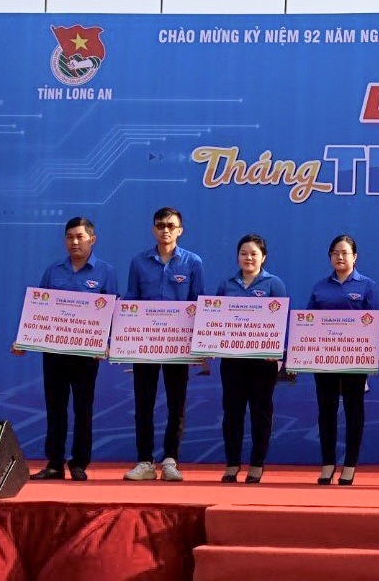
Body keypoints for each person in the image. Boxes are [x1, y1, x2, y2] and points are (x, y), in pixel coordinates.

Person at [29, 216, 120, 481]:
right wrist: (26, 339)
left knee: (83, 408)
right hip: (54, 352)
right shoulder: (53, 271)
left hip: (86, 354)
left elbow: (113, 311)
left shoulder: (106, 272)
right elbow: (39, 309)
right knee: (55, 407)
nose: (75, 242)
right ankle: (54, 463)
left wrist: (106, 342)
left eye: (80, 237)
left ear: (92, 239)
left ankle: (79, 463)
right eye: (70, 237)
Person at [122, 207, 205, 483]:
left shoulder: (193, 262)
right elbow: (131, 300)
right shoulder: (138, 262)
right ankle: (144, 461)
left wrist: (201, 347)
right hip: (145, 344)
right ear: (153, 229)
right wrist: (123, 339)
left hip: (178, 345)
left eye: (171, 225)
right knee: (143, 403)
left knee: (176, 403)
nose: (165, 230)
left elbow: (198, 303)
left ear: (180, 230)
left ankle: (171, 460)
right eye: (160, 225)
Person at [210, 234, 288, 484]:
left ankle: (256, 465)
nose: (248, 258)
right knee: (232, 413)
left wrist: (276, 350)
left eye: (254, 254)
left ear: (263, 257)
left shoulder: (274, 284)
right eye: (243, 253)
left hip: (263, 363)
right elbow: (214, 319)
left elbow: (282, 321)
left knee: (260, 413)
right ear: (237, 257)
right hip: (232, 362)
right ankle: (232, 464)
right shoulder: (227, 285)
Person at [308, 234, 377, 485]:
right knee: (326, 411)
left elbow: (374, 323)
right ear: (330, 257)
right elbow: (308, 322)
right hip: (324, 359)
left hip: (355, 359)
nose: (340, 257)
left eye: (345, 252)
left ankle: (350, 465)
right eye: (335, 253)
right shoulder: (320, 287)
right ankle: (327, 464)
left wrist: (372, 357)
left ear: (354, 257)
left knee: (353, 411)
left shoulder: (367, 286)